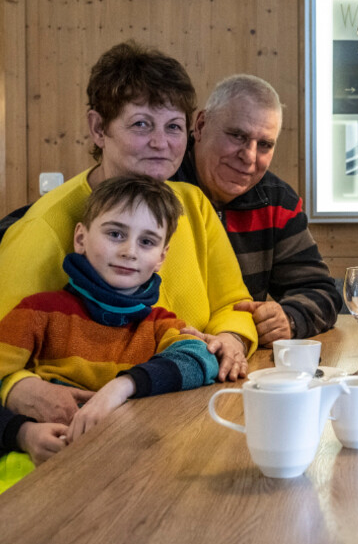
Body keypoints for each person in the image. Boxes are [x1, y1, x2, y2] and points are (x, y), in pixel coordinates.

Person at [0, 41, 256, 426]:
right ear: (98, 128)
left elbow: (234, 305)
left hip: (192, 414)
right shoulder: (41, 229)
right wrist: (15, 387)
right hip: (89, 431)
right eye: (141, 124)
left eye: (173, 127)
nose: (161, 142)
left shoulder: (194, 204)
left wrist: (231, 340)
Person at [0, 175, 219, 486]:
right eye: (116, 234)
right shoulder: (39, 312)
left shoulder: (159, 324)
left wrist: (120, 388)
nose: (129, 251)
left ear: (162, 257)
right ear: (80, 238)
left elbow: (202, 358)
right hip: (35, 468)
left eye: (147, 241)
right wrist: (23, 433)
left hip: (124, 472)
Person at [171, 75, 341, 346]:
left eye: (264, 145)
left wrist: (288, 318)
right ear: (201, 125)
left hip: (240, 366)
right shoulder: (157, 191)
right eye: (238, 136)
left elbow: (321, 292)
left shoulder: (276, 201)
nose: (249, 156)